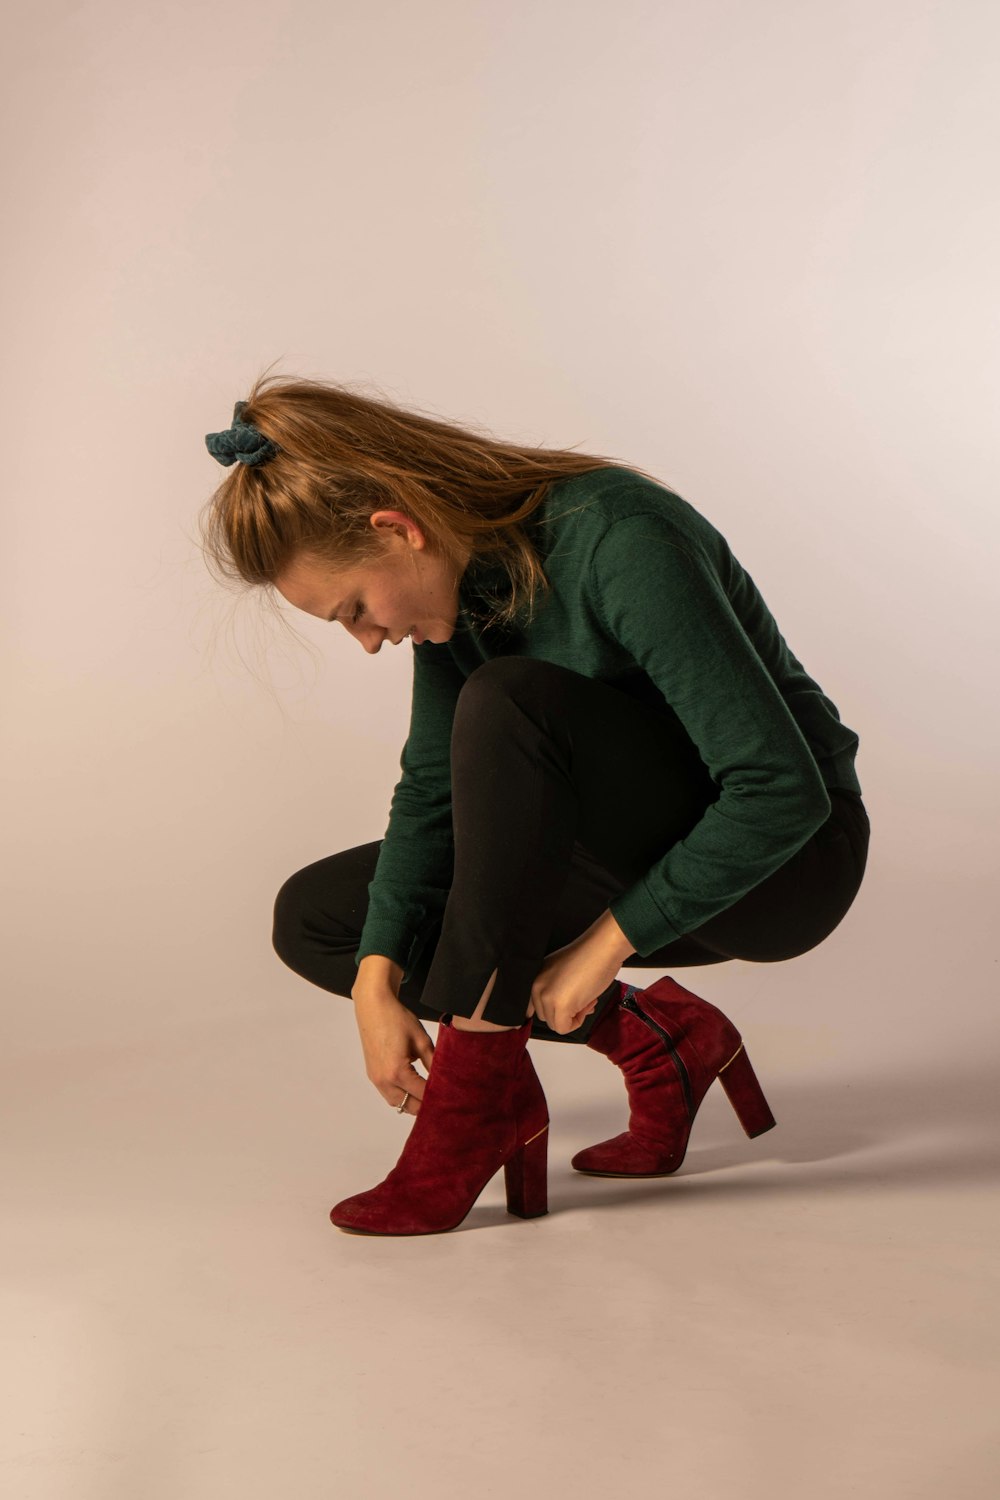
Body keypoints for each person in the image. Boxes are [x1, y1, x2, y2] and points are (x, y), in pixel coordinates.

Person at [201, 372, 870, 1238]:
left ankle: (475, 1101)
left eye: (355, 609)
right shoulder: (460, 592)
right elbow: (433, 793)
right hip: (626, 854)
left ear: (396, 530)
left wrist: (602, 947)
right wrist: (375, 979)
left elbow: (781, 791)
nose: (368, 640)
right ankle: (656, 1040)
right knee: (326, 920)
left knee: (511, 699)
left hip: (783, 868)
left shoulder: (621, 537)